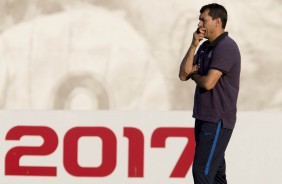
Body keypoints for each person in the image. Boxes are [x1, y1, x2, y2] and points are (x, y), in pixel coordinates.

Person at [178, 3, 241, 184]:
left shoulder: (226, 47)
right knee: (217, 176)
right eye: (199, 20)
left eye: (203, 20)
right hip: (204, 117)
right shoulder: (205, 47)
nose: (199, 24)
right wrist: (193, 44)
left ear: (218, 21)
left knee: (202, 172)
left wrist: (195, 74)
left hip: (217, 120)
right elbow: (183, 74)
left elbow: (208, 83)